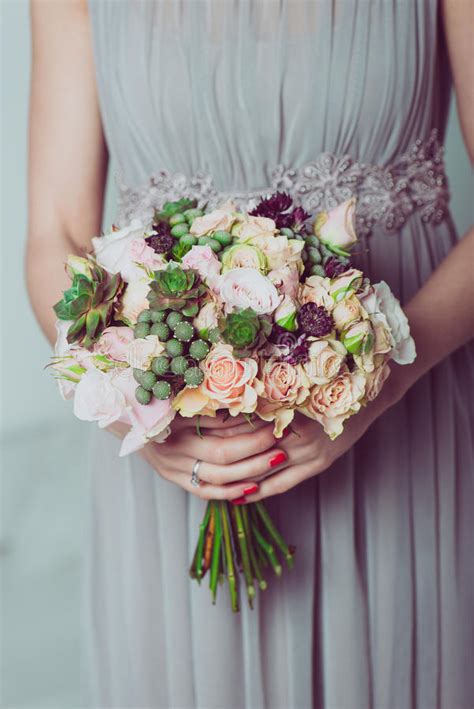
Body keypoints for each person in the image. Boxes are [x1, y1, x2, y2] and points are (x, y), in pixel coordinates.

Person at [27, 1, 473, 707]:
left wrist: (378, 382)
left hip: (404, 428)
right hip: (173, 461)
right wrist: (134, 416)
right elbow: (55, 231)